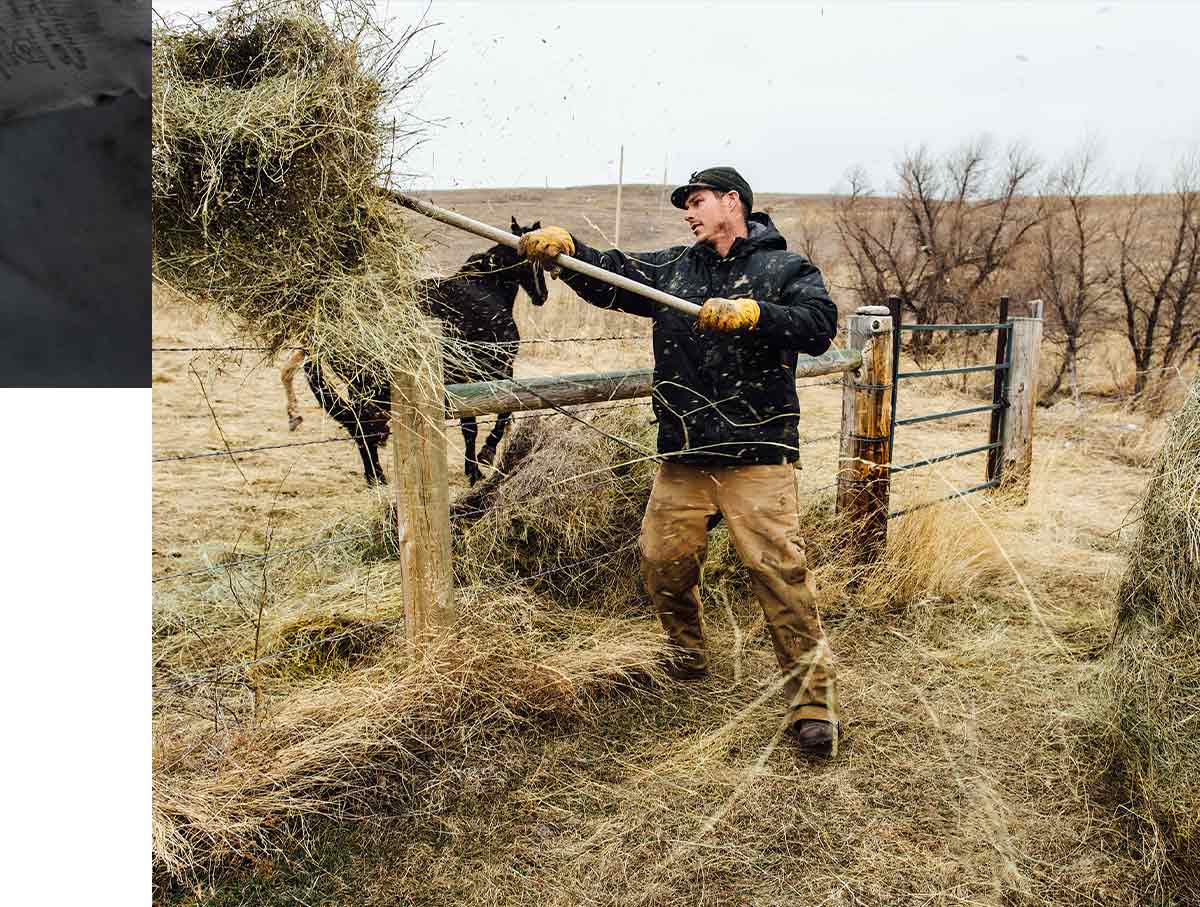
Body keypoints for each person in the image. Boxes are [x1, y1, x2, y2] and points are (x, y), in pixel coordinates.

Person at [517, 167, 842, 756]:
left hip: (757, 452)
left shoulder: (784, 268)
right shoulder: (675, 268)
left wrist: (756, 314)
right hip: (686, 454)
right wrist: (568, 253)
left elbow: (819, 326)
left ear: (732, 201)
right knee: (662, 561)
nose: (689, 214)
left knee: (780, 575)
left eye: (696, 201)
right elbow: (614, 277)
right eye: (686, 205)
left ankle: (812, 703)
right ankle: (686, 654)